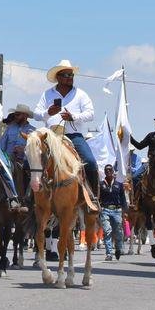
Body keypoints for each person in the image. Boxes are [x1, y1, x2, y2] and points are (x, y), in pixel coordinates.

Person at [34, 60, 99, 208]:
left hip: (73, 135)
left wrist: (74, 117)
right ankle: (28, 197)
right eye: (66, 75)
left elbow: (90, 114)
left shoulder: (81, 94)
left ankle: (93, 197)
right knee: (30, 162)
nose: (70, 77)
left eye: (71, 74)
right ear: (58, 77)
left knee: (91, 162)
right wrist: (47, 113)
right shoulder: (47, 94)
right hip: (51, 137)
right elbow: (37, 114)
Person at [100, 163, 127, 261]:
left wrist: (124, 211)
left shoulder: (119, 185)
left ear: (113, 172)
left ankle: (118, 249)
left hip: (117, 210)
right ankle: (109, 253)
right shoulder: (101, 185)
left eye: (110, 170)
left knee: (119, 231)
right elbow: (98, 198)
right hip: (105, 210)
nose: (108, 172)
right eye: (106, 170)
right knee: (107, 231)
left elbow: (123, 199)